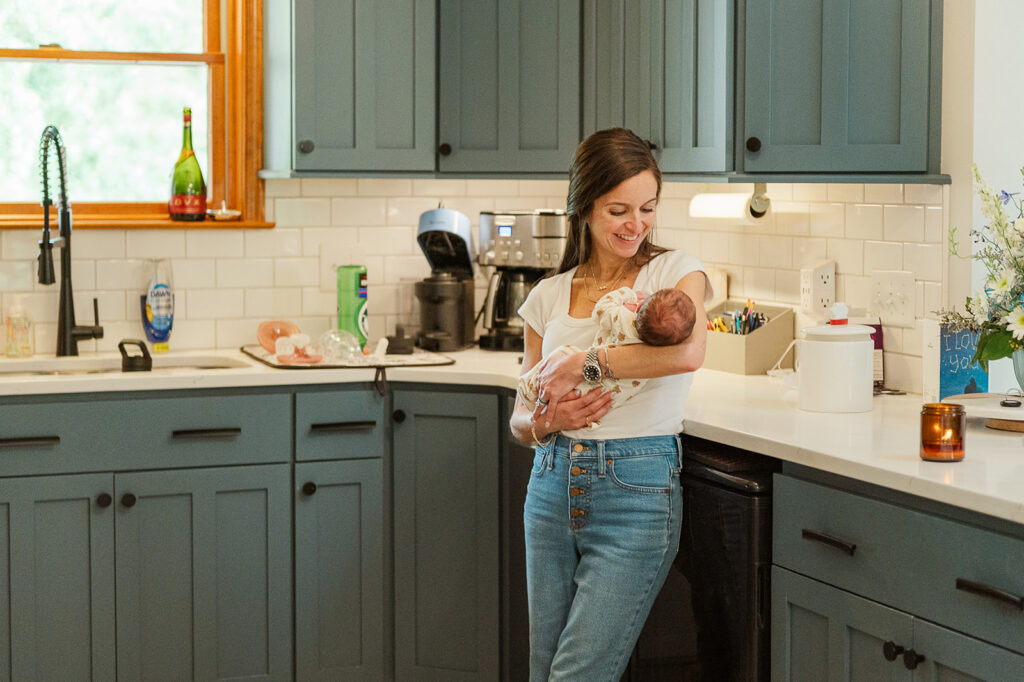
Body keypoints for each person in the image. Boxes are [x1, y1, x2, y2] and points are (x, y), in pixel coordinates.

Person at [509, 127, 711, 680]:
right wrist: (543, 421)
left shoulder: (674, 273)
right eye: (618, 209)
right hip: (550, 486)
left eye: (647, 208)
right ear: (584, 207)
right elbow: (519, 417)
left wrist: (584, 363)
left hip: (635, 489)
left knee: (576, 674)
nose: (635, 225)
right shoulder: (547, 295)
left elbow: (687, 354)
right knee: (544, 668)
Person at [517, 286, 696, 417]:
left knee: (564, 352)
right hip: (607, 399)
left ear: (640, 306)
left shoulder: (623, 319)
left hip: (579, 385)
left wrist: (628, 294)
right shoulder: (657, 351)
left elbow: (601, 309)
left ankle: (529, 387)